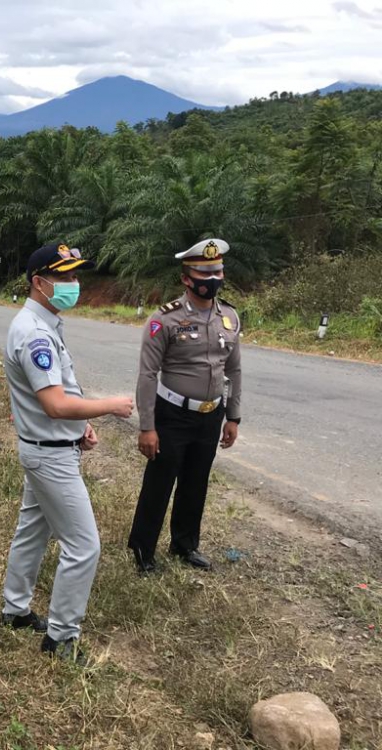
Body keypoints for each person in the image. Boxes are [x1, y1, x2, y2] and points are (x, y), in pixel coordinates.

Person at [0, 243, 134, 661]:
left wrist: (81, 426)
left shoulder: (42, 323)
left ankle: (14, 609)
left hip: (48, 446)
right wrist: (111, 405)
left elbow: (60, 399)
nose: (75, 285)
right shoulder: (36, 333)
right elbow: (55, 404)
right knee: (84, 546)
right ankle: (60, 637)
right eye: (66, 278)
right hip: (50, 457)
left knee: (32, 532)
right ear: (40, 283)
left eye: (77, 276)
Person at [127, 238, 243, 574]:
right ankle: (143, 550)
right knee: (160, 483)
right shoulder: (164, 320)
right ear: (186, 279)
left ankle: (184, 544)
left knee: (196, 481)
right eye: (204, 272)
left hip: (211, 415)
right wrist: (147, 426)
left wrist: (233, 416)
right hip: (172, 415)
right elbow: (147, 375)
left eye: (217, 271)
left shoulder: (230, 317)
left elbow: (233, 369)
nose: (212, 278)